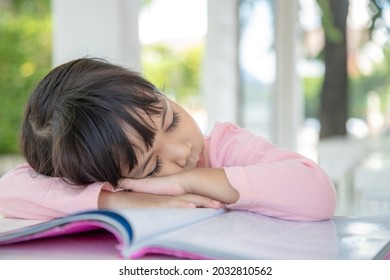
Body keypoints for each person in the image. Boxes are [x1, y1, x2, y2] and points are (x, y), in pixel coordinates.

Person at [0, 58, 337, 221]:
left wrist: (184, 181)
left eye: (171, 120)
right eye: (153, 164)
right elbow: (9, 192)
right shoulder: (113, 184)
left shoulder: (226, 146)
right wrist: (118, 201)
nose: (182, 149)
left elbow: (317, 193)